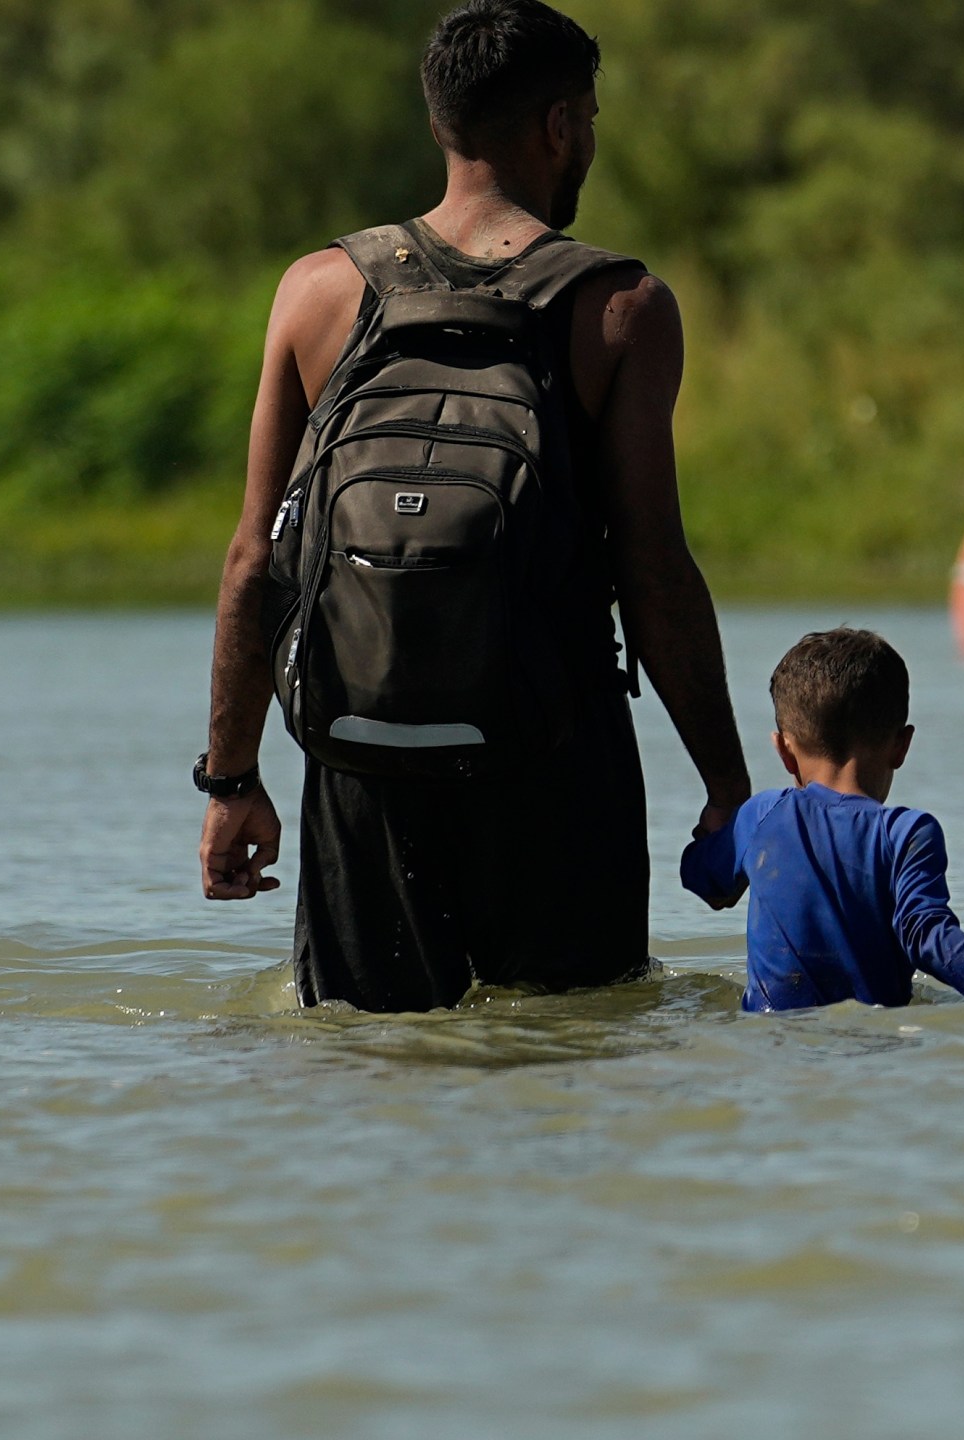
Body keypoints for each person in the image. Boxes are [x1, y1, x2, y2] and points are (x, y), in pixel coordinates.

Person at [194, 0, 753, 1011]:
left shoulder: (317, 290)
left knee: (368, 1057)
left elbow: (253, 560)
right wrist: (726, 788)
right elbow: (653, 569)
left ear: (439, 122)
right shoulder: (620, 309)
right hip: (553, 755)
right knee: (572, 1040)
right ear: (558, 127)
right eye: (587, 117)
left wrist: (231, 782)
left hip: (360, 755)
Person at [679, 628, 964, 1012]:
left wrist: (715, 826)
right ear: (901, 746)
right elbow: (927, 935)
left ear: (785, 752)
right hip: (876, 1047)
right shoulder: (907, 834)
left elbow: (701, 878)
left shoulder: (761, 816)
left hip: (776, 1046)